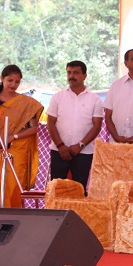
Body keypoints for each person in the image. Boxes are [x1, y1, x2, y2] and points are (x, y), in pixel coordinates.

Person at [46, 61, 105, 192]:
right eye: (69, 72)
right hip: (59, 151)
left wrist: (81, 145)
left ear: (84, 75)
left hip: (84, 152)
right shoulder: (58, 97)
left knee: (79, 189)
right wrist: (60, 146)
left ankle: (77, 213)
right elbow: (50, 123)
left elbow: (97, 126)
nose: (71, 76)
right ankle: (57, 213)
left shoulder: (95, 99)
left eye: (76, 73)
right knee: (56, 190)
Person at [0, 65, 43, 207]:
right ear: (2, 78)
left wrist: (13, 136)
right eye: (10, 80)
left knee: (11, 186)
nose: (13, 85)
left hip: (15, 150)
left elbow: (34, 129)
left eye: (17, 82)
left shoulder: (26, 104)